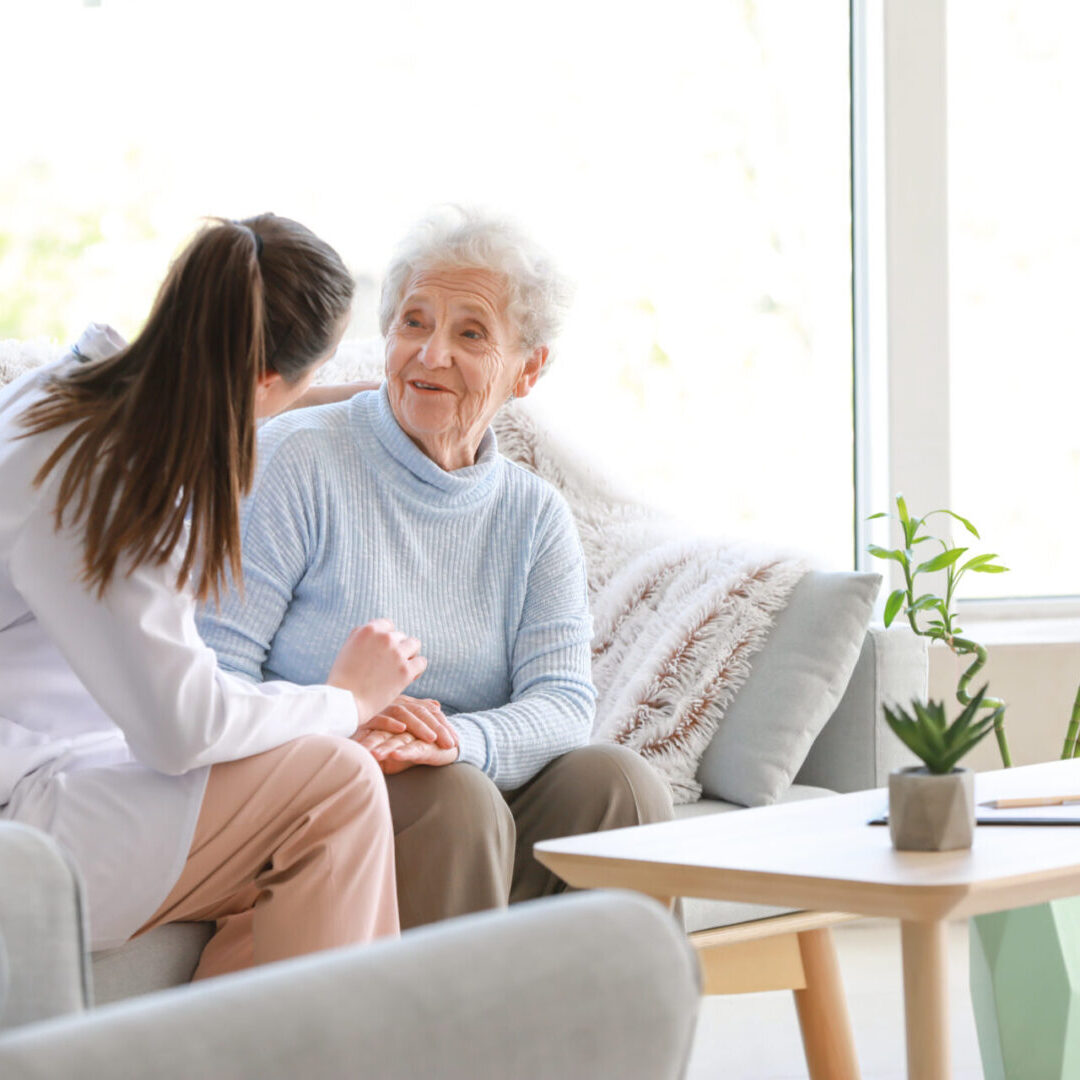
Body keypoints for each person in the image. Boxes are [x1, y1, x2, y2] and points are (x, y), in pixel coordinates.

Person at [197, 207, 674, 930]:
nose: (430, 355)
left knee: (621, 786)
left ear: (529, 369)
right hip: (321, 789)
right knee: (453, 800)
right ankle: (447, 1037)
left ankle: (612, 1035)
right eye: (414, 323)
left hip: (461, 787)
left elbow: (564, 705)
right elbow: (216, 672)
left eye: (471, 333)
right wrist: (340, 721)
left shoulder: (533, 515)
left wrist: (455, 743)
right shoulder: (299, 460)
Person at [0, 214, 428, 978]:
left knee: (297, 799)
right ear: (264, 380)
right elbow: (182, 731)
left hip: (49, 761)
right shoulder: (112, 483)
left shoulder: (61, 390)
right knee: (335, 785)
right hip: (25, 816)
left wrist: (330, 398)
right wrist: (345, 699)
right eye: (300, 378)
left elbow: (219, 387)